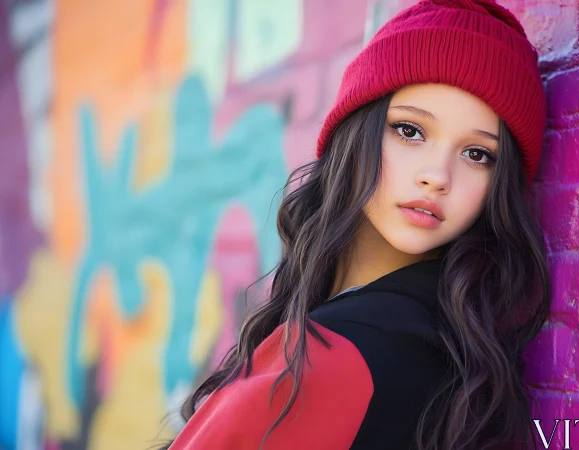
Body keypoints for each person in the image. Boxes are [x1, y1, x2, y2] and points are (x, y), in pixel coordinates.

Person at [161, 0, 550, 448]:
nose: (437, 176)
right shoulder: (456, 355)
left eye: (477, 154)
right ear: (354, 132)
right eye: (409, 131)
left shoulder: (336, 359)